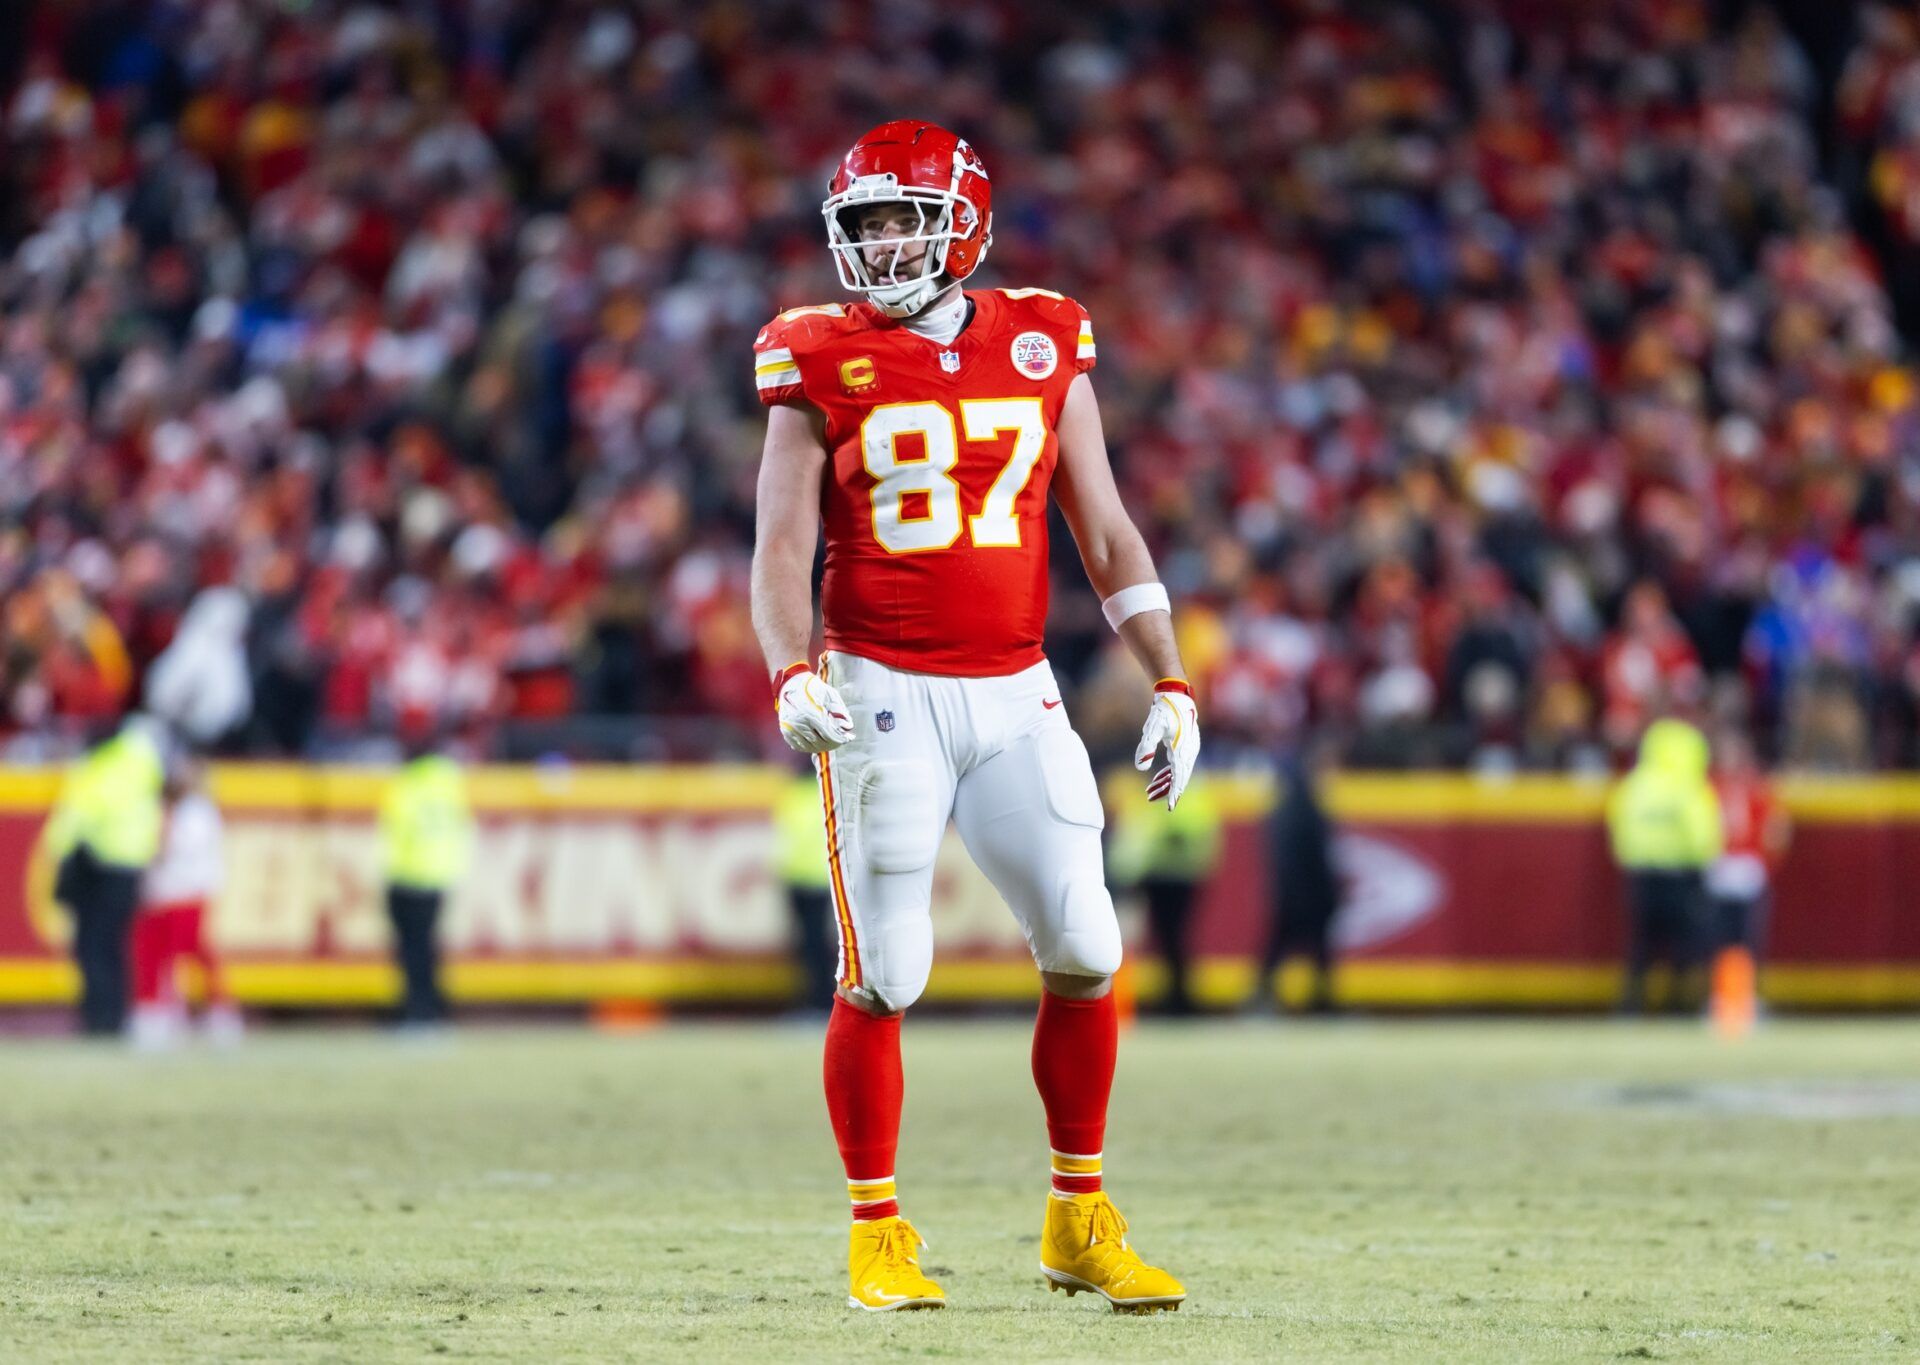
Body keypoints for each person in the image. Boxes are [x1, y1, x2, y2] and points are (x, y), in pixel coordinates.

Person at [750, 121, 1197, 1314]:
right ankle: (878, 1233)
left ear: (966, 221)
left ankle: (1077, 1217)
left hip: (1016, 684)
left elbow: (1103, 531)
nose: (885, 242)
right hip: (879, 686)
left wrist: (1170, 676)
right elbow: (783, 543)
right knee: (886, 970)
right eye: (866, 224)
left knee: (1090, 946)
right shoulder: (814, 355)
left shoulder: (1045, 337)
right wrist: (791, 669)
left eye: (905, 218)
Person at [42, 718, 167, 1036]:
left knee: (93, 945)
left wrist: (56, 850)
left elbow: (78, 815)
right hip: (129, 866)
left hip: (96, 864)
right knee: (113, 944)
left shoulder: (100, 766)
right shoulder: (141, 764)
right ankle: (115, 1015)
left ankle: (99, 1018)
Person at [1606, 718, 1723, 1014]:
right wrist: (1703, 860)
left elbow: (1621, 828)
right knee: (1685, 947)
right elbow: (1703, 834)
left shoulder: (1636, 784)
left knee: (1641, 947)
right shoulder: (1690, 786)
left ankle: (1633, 1005)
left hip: (1642, 875)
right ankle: (1680, 1006)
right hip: (1683, 875)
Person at [130, 756, 239, 1048]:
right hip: (161, 894)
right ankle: (154, 1013)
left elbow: (171, 848)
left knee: (191, 951)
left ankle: (217, 1011)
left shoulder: (197, 812)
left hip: (186, 892)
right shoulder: (163, 808)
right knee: (152, 954)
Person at [1106, 769, 1223, 1015]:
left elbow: (1142, 835)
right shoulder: (1189, 787)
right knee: (1171, 940)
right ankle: (1178, 996)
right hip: (1173, 874)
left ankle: (1178, 997)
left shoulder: (1150, 788)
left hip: (1168, 875)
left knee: (1170, 940)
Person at [378, 742, 474, 1027]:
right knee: (428, 948)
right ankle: (432, 1010)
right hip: (440, 875)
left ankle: (418, 1012)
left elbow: (395, 828)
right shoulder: (450, 783)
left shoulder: (406, 784)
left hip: (407, 875)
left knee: (412, 950)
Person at [1254, 748, 1343, 1014]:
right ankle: (1319, 1003)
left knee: (1295, 951)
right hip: (1304, 895)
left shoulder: (1294, 803)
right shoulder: (1303, 806)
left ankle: (1317, 1002)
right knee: (1300, 950)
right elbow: (1306, 857)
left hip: (1298, 894)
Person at [1707, 730, 1790, 979]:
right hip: (1720, 865)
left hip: (1748, 866)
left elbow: (1776, 826)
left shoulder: (1755, 786)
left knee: (1748, 935)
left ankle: (1746, 991)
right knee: (1719, 935)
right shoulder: (1711, 785)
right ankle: (1720, 991)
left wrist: (1766, 862)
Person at [775, 762, 838, 1016]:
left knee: (811, 949)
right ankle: (822, 1003)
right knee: (818, 948)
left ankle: (819, 1003)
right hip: (821, 880)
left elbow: (784, 838)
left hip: (799, 880)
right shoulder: (827, 791)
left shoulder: (791, 795)